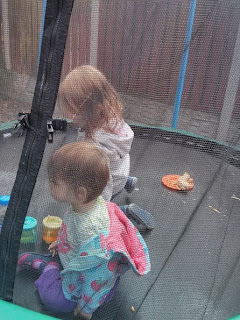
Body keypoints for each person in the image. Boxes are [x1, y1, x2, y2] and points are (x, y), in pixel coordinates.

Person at [18, 142, 151, 319]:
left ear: (80, 193)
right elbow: (72, 230)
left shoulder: (90, 231)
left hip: (93, 279)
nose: (49, 184)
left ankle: (49, 267)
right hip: (78, 259)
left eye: (54, 182)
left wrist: (86, 308)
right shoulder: (84, 206)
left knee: (55, 300)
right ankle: (56, 263)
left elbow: (99, 275)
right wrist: (62, 241)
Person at [58, 64, 154, 230]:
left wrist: (97, 210)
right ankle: (125, 181)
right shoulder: (109, 116)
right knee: (107, 166)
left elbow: (102, 186)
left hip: (109, 182)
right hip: (120, 170)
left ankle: (127, 212)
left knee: (85, 206)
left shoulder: (95, 146)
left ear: (95, 109)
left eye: (73, 111)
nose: (68, 115)